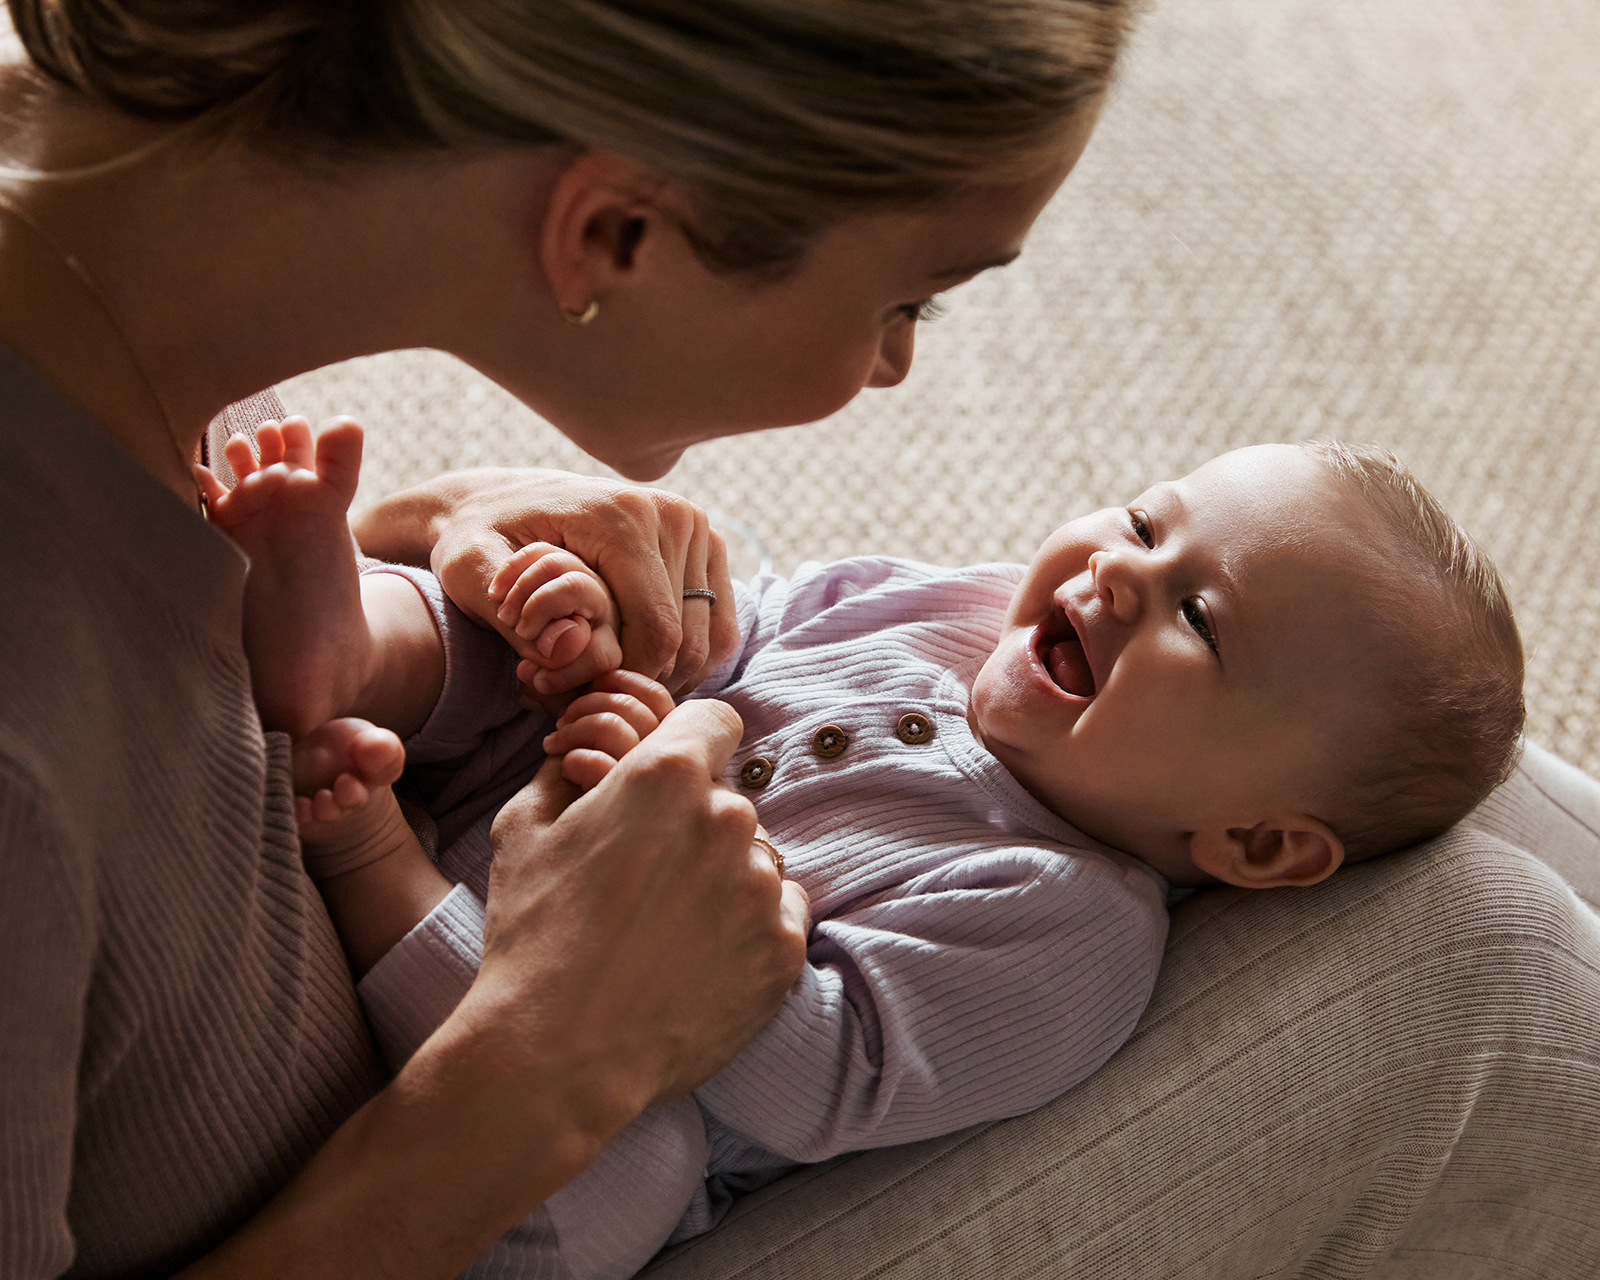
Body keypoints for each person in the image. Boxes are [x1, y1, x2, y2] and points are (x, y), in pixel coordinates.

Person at [0, 2, 1138, 1276]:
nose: (892, 363)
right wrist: (555, 1064)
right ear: (610, 234)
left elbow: (163, 634)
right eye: (912, 297)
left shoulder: (98, 238)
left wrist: (406, 532)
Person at [200, 422, 1525, 1279]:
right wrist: (620, 653)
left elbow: (822, 1078)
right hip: (531, 786)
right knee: (513, 641)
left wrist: (652, 880)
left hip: (565, 1068)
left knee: (626, 1176)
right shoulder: (949, 607)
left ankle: (366, 856)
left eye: (1201, 619)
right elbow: (753, 629)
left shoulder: (1069, 925)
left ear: (1256, 839)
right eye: (1141, 522)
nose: (1121, 573)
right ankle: (346, 646)